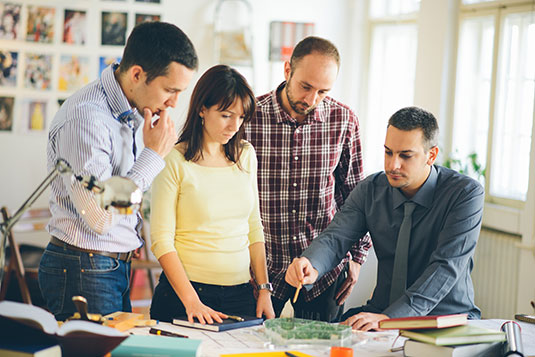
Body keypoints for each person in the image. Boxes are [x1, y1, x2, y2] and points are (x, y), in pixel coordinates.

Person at [39, 21, 198, 321]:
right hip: (83, 267)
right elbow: (98, 218)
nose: (174, 103)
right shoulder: (87, 119)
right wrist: (152, 155)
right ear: (137, 74)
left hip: (109, 266)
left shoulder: (135, 110)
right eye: (170, 90)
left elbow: (121, 196)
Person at [285, 106, 484, 331]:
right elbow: (335, 237)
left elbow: (445, 268)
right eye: (388, 152)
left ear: (431, 155)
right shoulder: (370, 189)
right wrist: (311, 263)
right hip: (380, 312)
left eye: (405, 156)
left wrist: (393, 318)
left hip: (444, 318)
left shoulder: (465, 194)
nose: (392, 165)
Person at [244, 36, 371, 322]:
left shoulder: (344, 120)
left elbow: (355, 197)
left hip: (324, 271)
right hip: (262, 268)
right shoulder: (250, 117)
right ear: (287, 70)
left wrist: (357, 258)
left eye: (323, 92)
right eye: (306, 87)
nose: (311, 100)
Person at [149, 65, 275, 324]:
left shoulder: (245, 155)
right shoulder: (174, 159)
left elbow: (254, 227)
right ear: (202, 109)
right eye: (226, 115)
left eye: (241, 117)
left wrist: (264, 290)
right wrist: (191, 300)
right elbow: (161, 240)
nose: (234, 126)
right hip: (184, 295)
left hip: (240, 294)